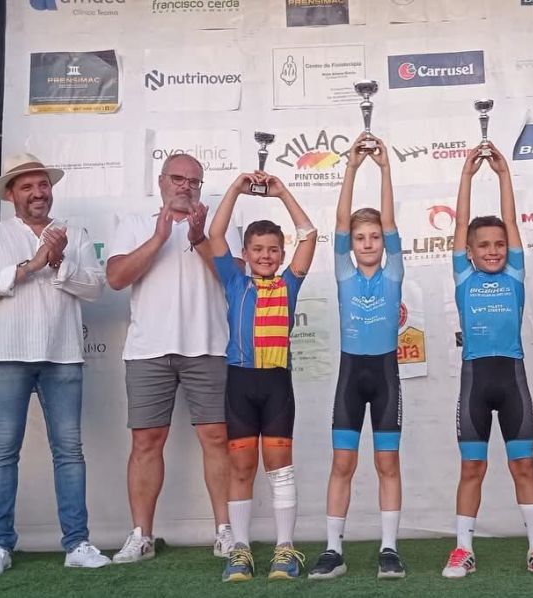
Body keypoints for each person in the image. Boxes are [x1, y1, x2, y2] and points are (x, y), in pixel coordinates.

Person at [0, 153, 108, 574]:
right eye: (27, 186)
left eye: (43, 185)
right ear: (11, 195)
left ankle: (77, 544)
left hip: (63, 354)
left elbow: (95, 288)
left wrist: (58, 261)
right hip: (6, 356)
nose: (38, 193)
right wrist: (30, 266)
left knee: (69, 452)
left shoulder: (74, 234)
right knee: (3, 452)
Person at [106, 154, 239, 563]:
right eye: (178, 178)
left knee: (216, 439)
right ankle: (141, 536)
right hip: (148, 349)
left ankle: (225, 532)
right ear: (161, 181)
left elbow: (234, 278)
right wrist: (159, 237)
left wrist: (200, 239)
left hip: (208, 345)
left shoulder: (218, 224)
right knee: (146, 442)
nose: (185, 186)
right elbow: (116, 278)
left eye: (194, 181)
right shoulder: (134, 222)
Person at [441, 145, 533, 580]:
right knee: (472, 467)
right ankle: (463, 550)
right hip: (475, 381)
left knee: (523, 465)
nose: (493, 251)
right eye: (484, 246)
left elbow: (511, 222)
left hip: (512, 380)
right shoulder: (463, 276)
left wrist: (504, 174)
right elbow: (460, 223)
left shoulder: (513, 274)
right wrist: (467, 176)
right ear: (469, 252)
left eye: (499, 245)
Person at [206, 170, 317, 582]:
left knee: (279, 468)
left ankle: (285, 548)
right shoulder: (235, 281)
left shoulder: (289, 284)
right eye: (258, 249)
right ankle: (240, 550)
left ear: (281, 253)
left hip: (275, 385)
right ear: (246, 253)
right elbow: (215, 234)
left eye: (273, 249)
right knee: (240, 468)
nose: (266, 256)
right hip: (240, 382)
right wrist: (236, 189)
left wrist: (282, 192)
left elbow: (309, 235)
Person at [308, 134, 406, 580]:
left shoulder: (394, 271)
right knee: (342, 463)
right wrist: (350, 166)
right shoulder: (344, 270)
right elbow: (339, 224)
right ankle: (333, 550)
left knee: (387, 464)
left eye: (374, 237)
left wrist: (384, 168)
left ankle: (389, 549)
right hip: (351, 377)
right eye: (360, 237)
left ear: (384, 242)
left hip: (384, 377)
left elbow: (390, 221)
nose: (367, 243)